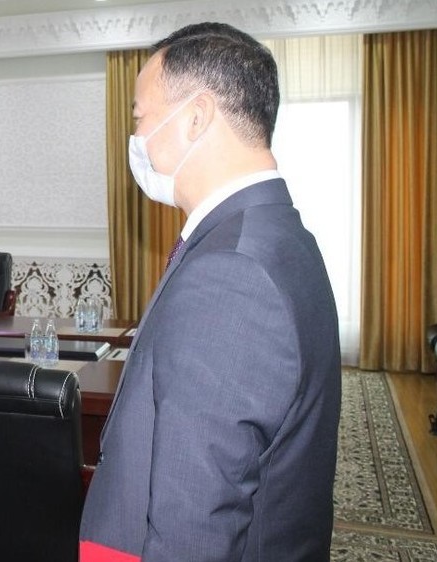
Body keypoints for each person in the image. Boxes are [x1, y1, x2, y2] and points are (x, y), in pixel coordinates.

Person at [79, 22, 341, 561]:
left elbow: (196, 523)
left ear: (195, 117)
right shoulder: (279, 233)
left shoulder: (230, 272)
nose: (136, 138)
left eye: (140, 118)